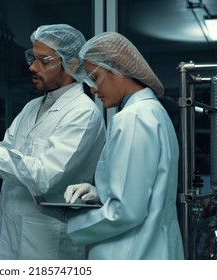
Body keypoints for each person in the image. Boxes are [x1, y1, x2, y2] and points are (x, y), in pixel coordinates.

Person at [0, 24, 106, 260]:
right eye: (32, 58)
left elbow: (45, 177)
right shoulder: (32, 107)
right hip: (7, 238)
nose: (32, 66)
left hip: (47, 246)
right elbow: (8, 158)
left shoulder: (83, 112)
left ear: (72, 64)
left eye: (44, 61)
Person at [52, 31, 184, 259]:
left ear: (119, 68)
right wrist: (98, 193)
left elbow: (126, 212)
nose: (92, 88)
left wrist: (70, 226)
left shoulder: (132, 118)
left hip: (131, 252)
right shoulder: (154, 112)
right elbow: (144, 190)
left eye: (95, 77)